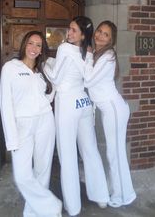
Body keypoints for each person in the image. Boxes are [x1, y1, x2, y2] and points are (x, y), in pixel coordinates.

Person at [44, 16, 109, 217]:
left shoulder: (65, 48)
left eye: (73, 30)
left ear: (82, 35)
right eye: (69, 29)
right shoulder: (89, 52)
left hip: (68, 103)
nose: (69, 33)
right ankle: (101, 197)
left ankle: (73, 206)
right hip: (84, 102)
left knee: (68, 155)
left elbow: (55, 77)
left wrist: (46, 63)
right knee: (90, 150)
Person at [0, 30, 62, 217]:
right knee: (22, 176)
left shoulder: (43, 70)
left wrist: (50, 93)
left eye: (38, 45)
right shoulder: (11, 68)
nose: (34, 48)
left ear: (42, 50)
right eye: (30, 43)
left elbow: (51, 92)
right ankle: (52, 207)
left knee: (43, 169)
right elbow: (5, 104)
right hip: (22, 125)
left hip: (45, 122)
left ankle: (33, 213)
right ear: (24, 44)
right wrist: (11, 139)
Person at [84, 20, 136, 208]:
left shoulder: (107, 56)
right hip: (112, 109)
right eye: (99, 31)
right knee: (114, 153)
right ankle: (121, 190)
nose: (100, 36)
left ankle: (123, 195)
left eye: (105, 34)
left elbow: (88, 80)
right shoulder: (101, 54)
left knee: (115, 154)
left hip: (114, 109)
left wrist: (88, 56)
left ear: (111, 40)